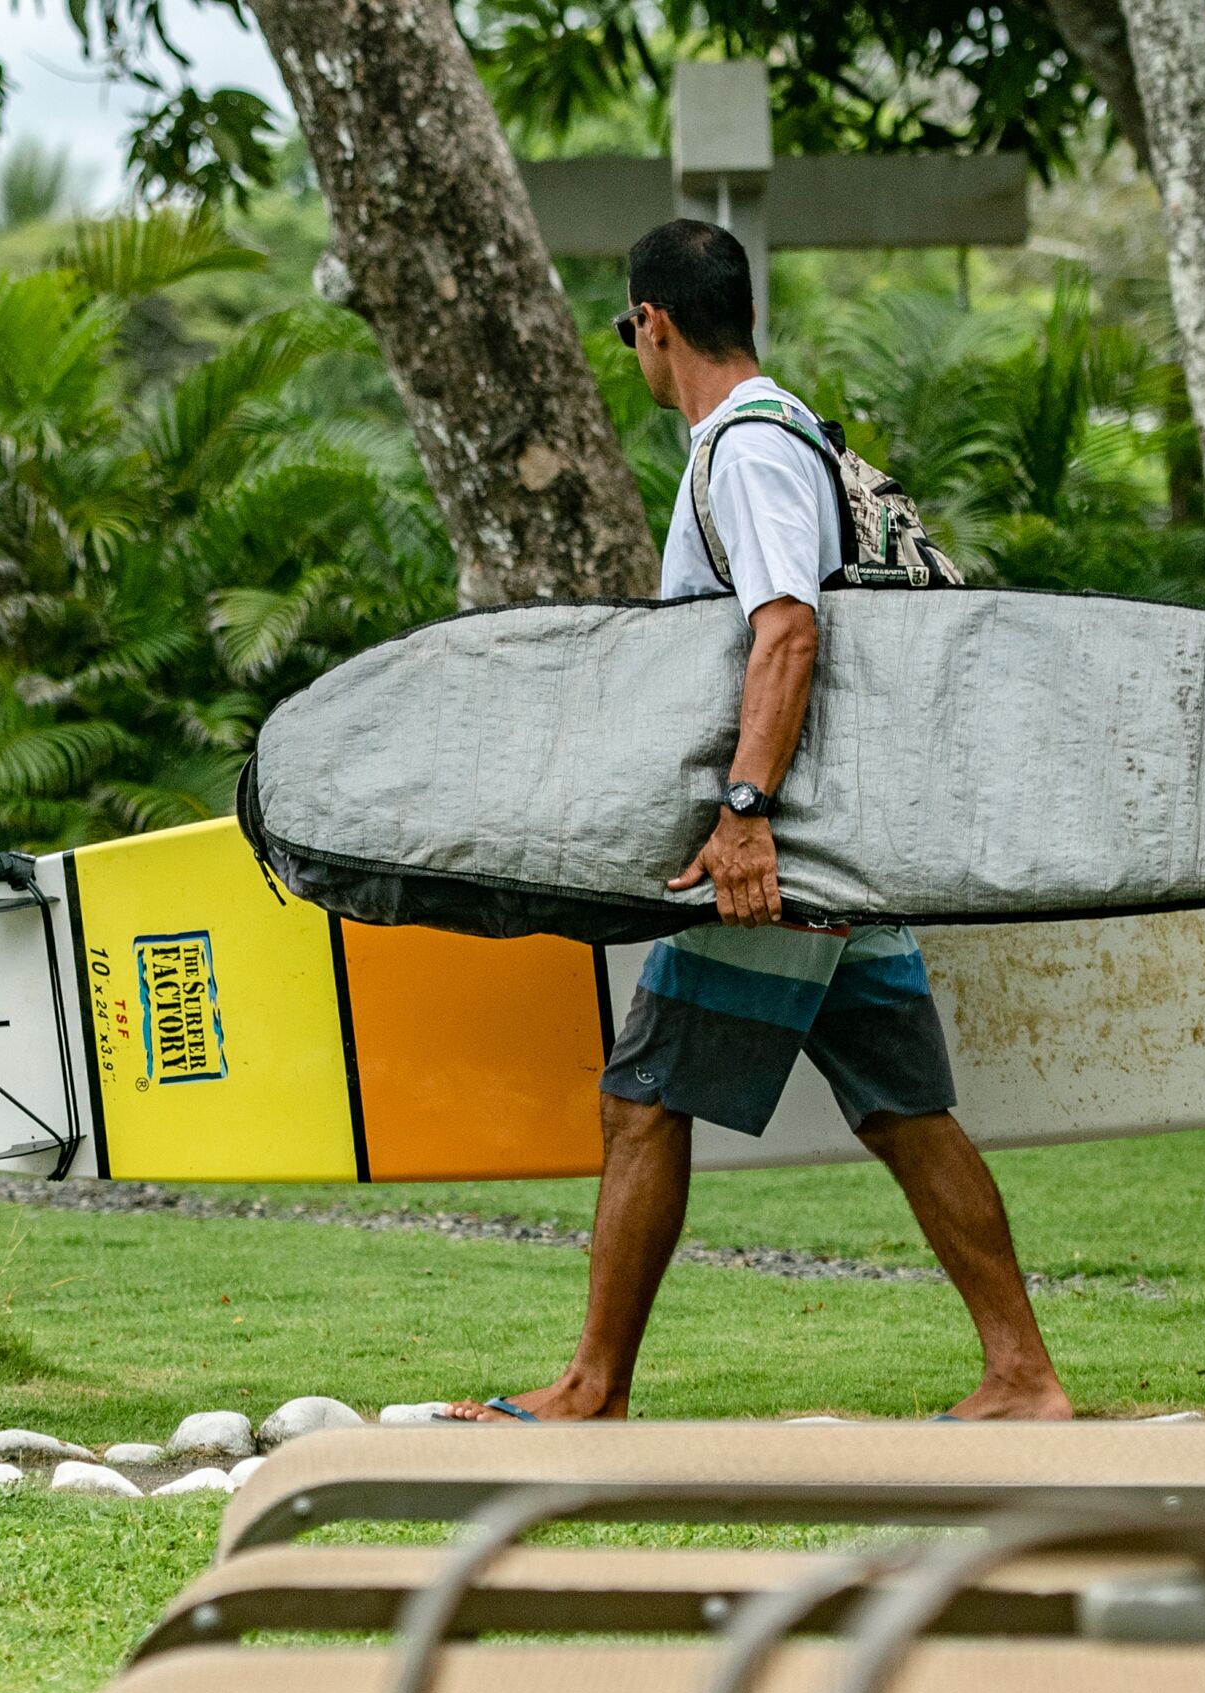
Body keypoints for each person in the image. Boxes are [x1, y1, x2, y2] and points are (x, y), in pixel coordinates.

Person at [446, 219, 1072, 1424]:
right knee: (902, 1111)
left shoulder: (746, 451)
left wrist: (744, 813)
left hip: (781, 853)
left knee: (641, 1098)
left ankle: (592, 1386)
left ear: (655, 324)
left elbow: (787, 628)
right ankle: (1022, 1374)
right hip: (838, 852)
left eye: (632, 329)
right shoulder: (792, 434)